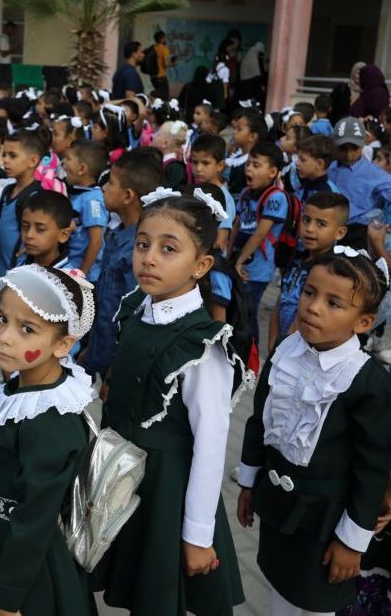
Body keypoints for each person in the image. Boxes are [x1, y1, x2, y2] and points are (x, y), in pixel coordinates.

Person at [101, 189, 249, 616]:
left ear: (201, 265)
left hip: (169, 489)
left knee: (158, 594)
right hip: (124, 478)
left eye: (169, 249)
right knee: (134, 587)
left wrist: (198, 535)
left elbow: (211, 444)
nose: (149, 258)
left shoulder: (202, 344)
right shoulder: (135, 309)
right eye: (143, 244)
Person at [237, 249, 391, 616]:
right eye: (309, 292)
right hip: (280, 506)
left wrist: (353, 542)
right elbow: (260, 420)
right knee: (280, 587)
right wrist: (248, 484)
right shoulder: (285, 352)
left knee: (316, 600)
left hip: (326, 522)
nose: (313, 307)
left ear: (364, 321)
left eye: (334, 303)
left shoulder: (366, 381)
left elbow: (372, 467)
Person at [0, 265, 96, 616]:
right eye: (2, 319)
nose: (5, 337)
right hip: (5, 539)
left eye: (27, 329)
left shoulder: (49, 419)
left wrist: (7, 595)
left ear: (63, 344)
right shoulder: (22, 388)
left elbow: (35, 517)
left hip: (33, 565)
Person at [80, 151, 165, 380]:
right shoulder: (118, 235)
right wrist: (92, 348)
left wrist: (116, 370)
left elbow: (135, 315)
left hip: (120, 367)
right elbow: (108, 303)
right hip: (103, 349)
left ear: (128, 196)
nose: (103, 188)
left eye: (110, 183)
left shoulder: (138, 250)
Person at [267, 192, 349, 352]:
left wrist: (284, 349)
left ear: (340, 232)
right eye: (306, 220)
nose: (310, 229)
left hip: (301, 350)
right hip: (281, 346)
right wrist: (273, 344)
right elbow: (281, 300)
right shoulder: (297, 258)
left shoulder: (329, 271)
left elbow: (307, 315)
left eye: (321, 224)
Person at [230, 142, 288, 343]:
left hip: (257, 269)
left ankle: (250, 356)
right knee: (237, 310)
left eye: (256, 165)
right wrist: (230, 257)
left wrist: (238, 262)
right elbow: (236, 225)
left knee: (247, 313)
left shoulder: (276, 198)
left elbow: (260, 234)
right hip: (240, 262)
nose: (249, 168)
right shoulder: (246, 193)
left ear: (273, 172)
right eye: (248, 164)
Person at [329, 117, 391, 250]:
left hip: (356, 235)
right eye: (343, 148)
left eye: (354, 149)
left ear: (363, 145)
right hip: (328, 230)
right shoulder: (329, 169)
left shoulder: (374, 174)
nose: (349, 155)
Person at [0, 131, 43, 275]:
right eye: (4, 154)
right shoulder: (8, 190)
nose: (5, 160)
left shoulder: (35, 196)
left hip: (17, 273)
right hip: (0, 269)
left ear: (33, 161)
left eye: (12, 155)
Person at [62, 139, 108, 282]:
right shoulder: (79, 194)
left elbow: (96, 241)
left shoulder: (92, 199)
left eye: (68, 159)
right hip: (71, 268)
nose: (63, 163)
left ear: (82, 169)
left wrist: (81, 275)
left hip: (85, 275)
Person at [191, 133, 236, 253]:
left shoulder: (223, 198)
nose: (198, 168)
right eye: (195, 162)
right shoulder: (195, 191)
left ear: (220, 165)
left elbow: (220, 242)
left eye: (205, 163)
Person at [19, 190, 73, 268]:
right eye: (25, 226)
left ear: (63, 235)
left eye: (40, 229)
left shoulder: (68, 278)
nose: (29, 235)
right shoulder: (20, 268)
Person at [226, 109, 267, 199]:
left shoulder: (253, 161)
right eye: (234, 128)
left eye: (239, 129)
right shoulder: (237, 155)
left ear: (252, 136)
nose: (234, 132)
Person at [294, 135, 340, 204]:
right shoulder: (303, 185)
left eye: (303, 160)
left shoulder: (329, 195)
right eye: (298, 158)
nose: (297, 163)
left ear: (319, 164)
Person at [238, 41, 267, 107]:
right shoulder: (253, 56)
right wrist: (261, 85)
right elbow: (256, 73)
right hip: (250, 83)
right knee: (252, 102)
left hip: (245, 82)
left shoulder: (250, 53)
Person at [151, 31, 176, 99]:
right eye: (165, 38)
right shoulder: (164, 49)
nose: (165, 39)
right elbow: (167, 63)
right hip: (161, 77)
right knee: (164, 97)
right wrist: (174, 63)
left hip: (153, 77)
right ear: (161, 39)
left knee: (157, 96)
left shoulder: (154, 48)